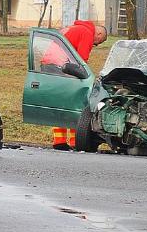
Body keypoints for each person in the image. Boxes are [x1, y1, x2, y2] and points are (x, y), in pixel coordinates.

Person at [43, 20, 108, 150]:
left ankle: (61, 141)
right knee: (74, 102)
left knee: (61, 103)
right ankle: (73, 142)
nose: (95, 44)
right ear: (99, 34)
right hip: (62, 66)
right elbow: (81, 59)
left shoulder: (75, 28)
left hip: (49, 64)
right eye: (98, 42)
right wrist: (87, 77)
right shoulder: (87, 33)